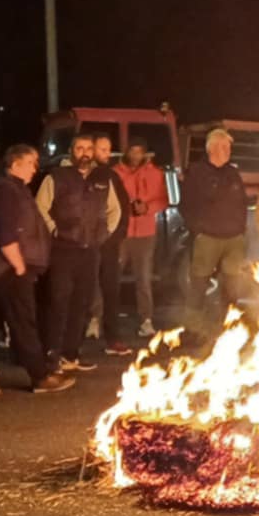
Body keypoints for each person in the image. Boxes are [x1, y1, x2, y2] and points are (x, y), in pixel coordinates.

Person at [0, 145, 73, 396]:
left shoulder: (12, 188)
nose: (35, 167)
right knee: (23, 321)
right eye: (31, 162)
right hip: (6, 268)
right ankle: (40, 376)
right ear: (16, 163)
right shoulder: (5, 191)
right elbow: (5, 232)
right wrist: (19, 265)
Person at [37, 134, 123, 371]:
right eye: (79, 148)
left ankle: (71, 355)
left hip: (90, 251)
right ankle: (51, 355)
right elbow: (40, 208)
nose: (84, 153)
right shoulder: (56, 177)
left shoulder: (103, 178)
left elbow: (114, 210)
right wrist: (55, 230)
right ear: (71, 150)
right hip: (63, 251)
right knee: (58, 302)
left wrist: (103, 234)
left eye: (88, 148)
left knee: (82, 304)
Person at [181, 128, 254, 329]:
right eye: (223, 146)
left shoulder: (232, 173)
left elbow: (242, 202)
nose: (227, 150)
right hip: (208, 239)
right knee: (199, 284)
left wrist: (240, 229)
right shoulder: (197, 172)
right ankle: (193, 329)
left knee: (232, 286)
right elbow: (186, 204)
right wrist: (198, 230)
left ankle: (228, 327)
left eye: (229, 147)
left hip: (233, 239)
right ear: (212, 148)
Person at [112, 142, 170, 336]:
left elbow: (163, 199)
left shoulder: (155, 173)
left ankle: (146, 320)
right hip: (121, 232)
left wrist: (147, 208)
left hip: (145, 233)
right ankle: (98, 318)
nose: (136, 155)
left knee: (143, 278)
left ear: (145, 153)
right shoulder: (116, 172)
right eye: (132, 151)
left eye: (140, 151)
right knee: (109, 276)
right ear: (127, 152)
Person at [88, 136, 134, 353]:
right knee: (80, 291)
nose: (107, 154)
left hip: (108, 243)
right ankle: (71, 346)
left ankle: (112, 337)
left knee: (111, 290)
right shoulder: (78, 175)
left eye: (108, 149)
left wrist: (116, 236)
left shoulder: (111, 176)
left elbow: (122, 208)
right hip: (83, 244)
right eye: (102, 149)